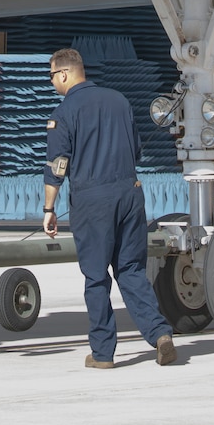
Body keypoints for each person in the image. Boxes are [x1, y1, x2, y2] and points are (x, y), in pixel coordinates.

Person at [43, 48, 178, 369]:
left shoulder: (63, 112)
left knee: (95, 276)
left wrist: (49, 207)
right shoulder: (119, 100)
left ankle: (102, 352)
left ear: (63, 74)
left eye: (51, 76)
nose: (52, 83)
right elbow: (135, 149)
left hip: (93, 200)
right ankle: (160, 334)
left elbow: (57, 165)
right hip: (130, 193)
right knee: (131, 270)